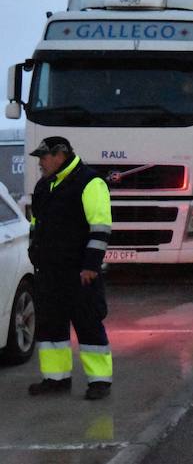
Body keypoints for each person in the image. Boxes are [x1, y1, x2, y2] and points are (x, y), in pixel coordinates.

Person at [26, 136, 113, 400]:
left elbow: (100, 228)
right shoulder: (45, 186)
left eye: (44, 157)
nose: (40, 163)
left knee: (88, 325)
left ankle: (99, 381)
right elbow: (36, 223)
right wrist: (35, 253)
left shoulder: (90, 182)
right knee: (51, 327)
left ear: (60, 155)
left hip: (80, 273)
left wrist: (90, 266)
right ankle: (56, 379)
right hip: (49, 272)